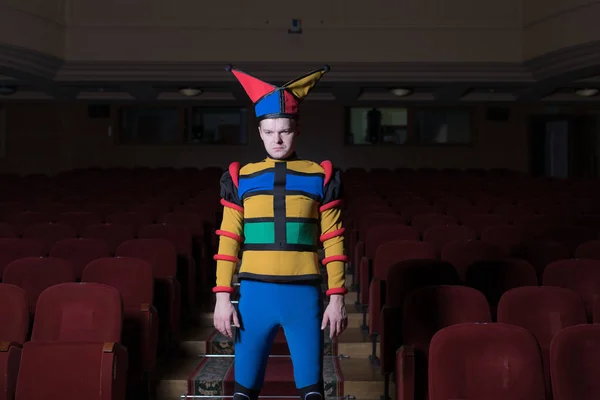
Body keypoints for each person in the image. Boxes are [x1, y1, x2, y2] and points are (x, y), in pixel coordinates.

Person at [212, 64, 348, 400]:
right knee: (244, 392)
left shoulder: (321, 175)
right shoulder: (239, 176)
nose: (277, 139)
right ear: (260, 132)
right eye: (269, 131)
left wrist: (337, 298)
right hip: (255, 293)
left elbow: (333, 239)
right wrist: (221, 298)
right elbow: (229, 239)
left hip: (304, 294)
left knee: (313, 391)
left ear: (296, 130)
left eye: (284, 131)